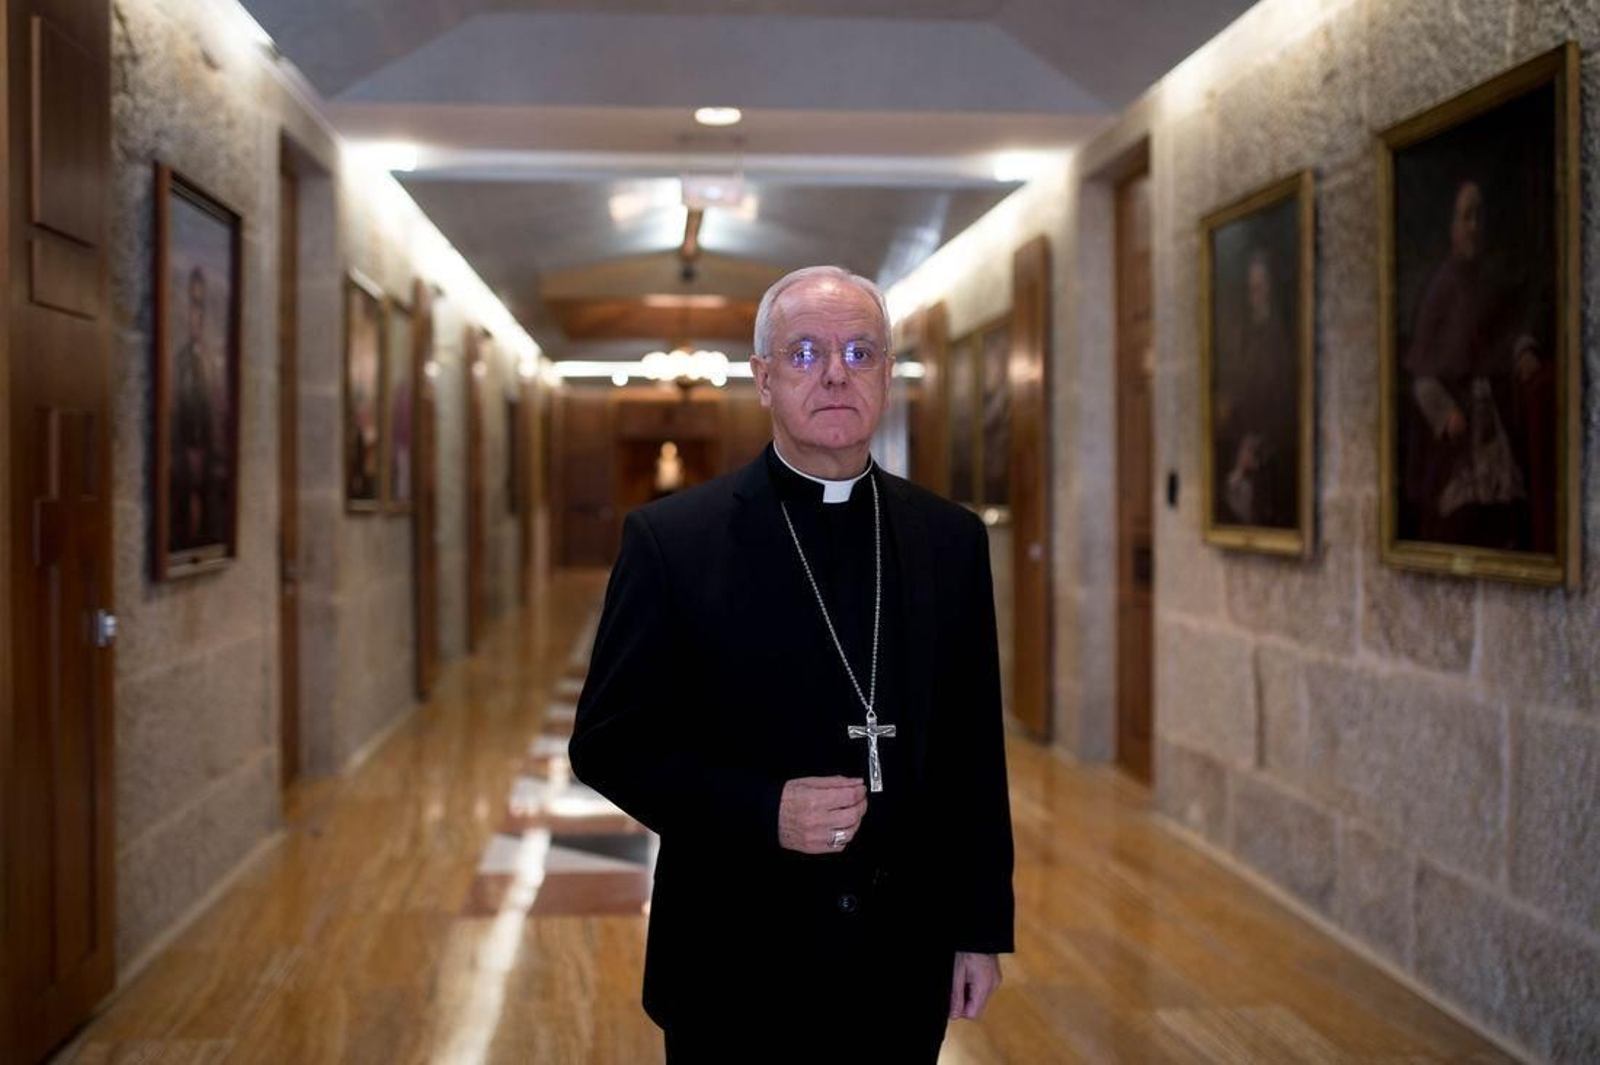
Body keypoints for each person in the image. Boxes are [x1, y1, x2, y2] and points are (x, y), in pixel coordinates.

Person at [568, 265, 1014, 1062]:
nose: (836, 372)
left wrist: (977, 928)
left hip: (899, 958)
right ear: (764, 379)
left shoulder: (950, 540)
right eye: (805, 352)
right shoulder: (673, 540)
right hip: (734, 958)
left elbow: (974, 751)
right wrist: (761, 807)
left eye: (861, 351)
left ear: (886, 374)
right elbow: (607, 742)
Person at [1401, 178, 1550, 551]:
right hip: (1454, 440)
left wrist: (1523, 351)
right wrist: (1446, 413)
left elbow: (1511, 330)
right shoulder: (1438, 289)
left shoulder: (1492, 281)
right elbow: (1421, 376)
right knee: (1459, 523)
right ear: (1451, 226)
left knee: (1506, 521)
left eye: (1479, 217)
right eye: (1466, 217)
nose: (1474, 226)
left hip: (1494, 422)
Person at [1213, 246, 1297, 528]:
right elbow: (1239, 399)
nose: (1255, 298)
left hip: (1271, 455)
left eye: (1260, 289)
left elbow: (1283, 406)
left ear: (1271, 290)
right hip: (1245, 446)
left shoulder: (1280, 342)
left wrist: (1257, 449)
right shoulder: (1248, 340)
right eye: (1251, 290)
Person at [169, 266, 221, 551]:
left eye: (200, 308)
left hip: (207, 449)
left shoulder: (212, 364)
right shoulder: (181, 362)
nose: (195, 318)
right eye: (192, 307)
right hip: (186, 447)